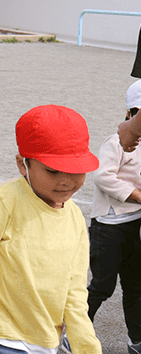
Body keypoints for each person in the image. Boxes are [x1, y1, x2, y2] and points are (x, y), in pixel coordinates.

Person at [0, 105, 101, 354]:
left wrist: (84, 342)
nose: (66, 180)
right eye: (52, 170)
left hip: (46, 337)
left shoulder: (73, 216)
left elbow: (75, 286)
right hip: (2, 332)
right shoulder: (2, 202)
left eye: (76, 170)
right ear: (23, 165)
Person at [87, 80, 141, 354]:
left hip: (136, 228)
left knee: (135, 287)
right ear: (133, 112)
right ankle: (73, 332)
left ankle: (136, 340)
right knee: (102, 286)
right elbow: (102, 176)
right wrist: (137, 195)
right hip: (109, 226)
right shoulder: (117, 142)